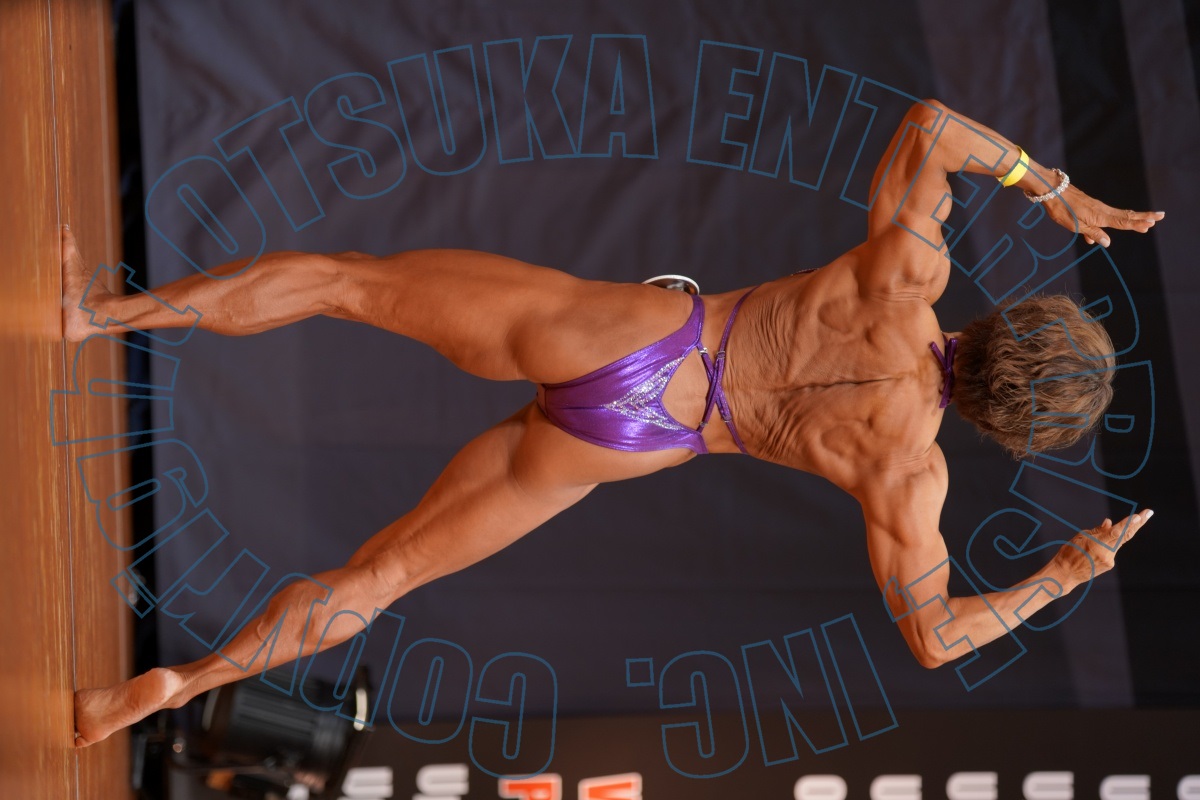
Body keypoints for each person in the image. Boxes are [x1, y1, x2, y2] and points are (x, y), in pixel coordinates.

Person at [68, 99, 1162, 747]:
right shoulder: (910, 475)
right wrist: (1062, 575)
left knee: (349, 283)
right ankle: (173, 690)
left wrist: (1048, 184)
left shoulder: (905, 283)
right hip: (637, 442)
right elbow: (934, 638)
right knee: (385, 576)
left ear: (1019, 322)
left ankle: (101, 316)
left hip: (634, 336)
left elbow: (930, 127)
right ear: (1012, 428)